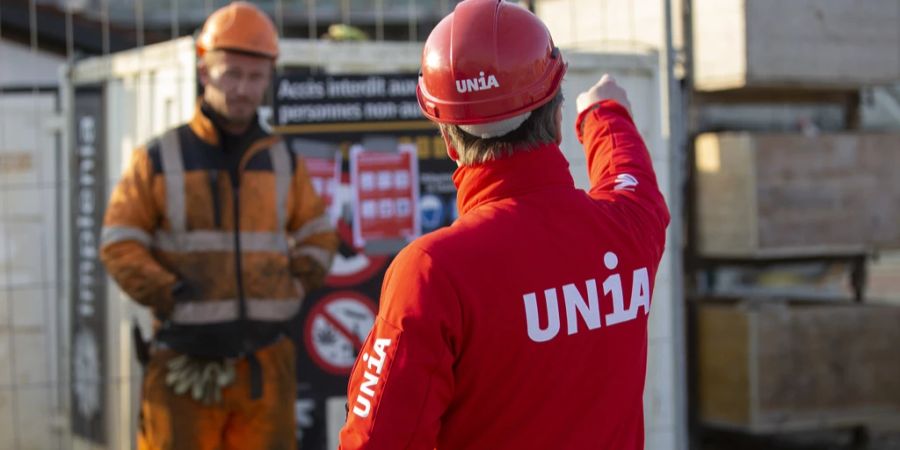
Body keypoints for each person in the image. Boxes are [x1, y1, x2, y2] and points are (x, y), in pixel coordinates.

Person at [338, 0, 670, 449]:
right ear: (554, 119)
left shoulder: (433, 272)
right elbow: (631, 179)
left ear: (448, 138)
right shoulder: (628, 228)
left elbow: (375, 440)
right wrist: (604, 113)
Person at [99, 2, 338, 449]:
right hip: (182, 364)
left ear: (268, 78)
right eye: (231, 74)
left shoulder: (282, 160)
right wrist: (169, 294)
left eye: (255, 77)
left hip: (265, 366)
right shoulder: (158, 158)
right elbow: (119, 241)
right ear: (204, 71)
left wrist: (291, 283)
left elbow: (318, 234)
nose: (243, 89)